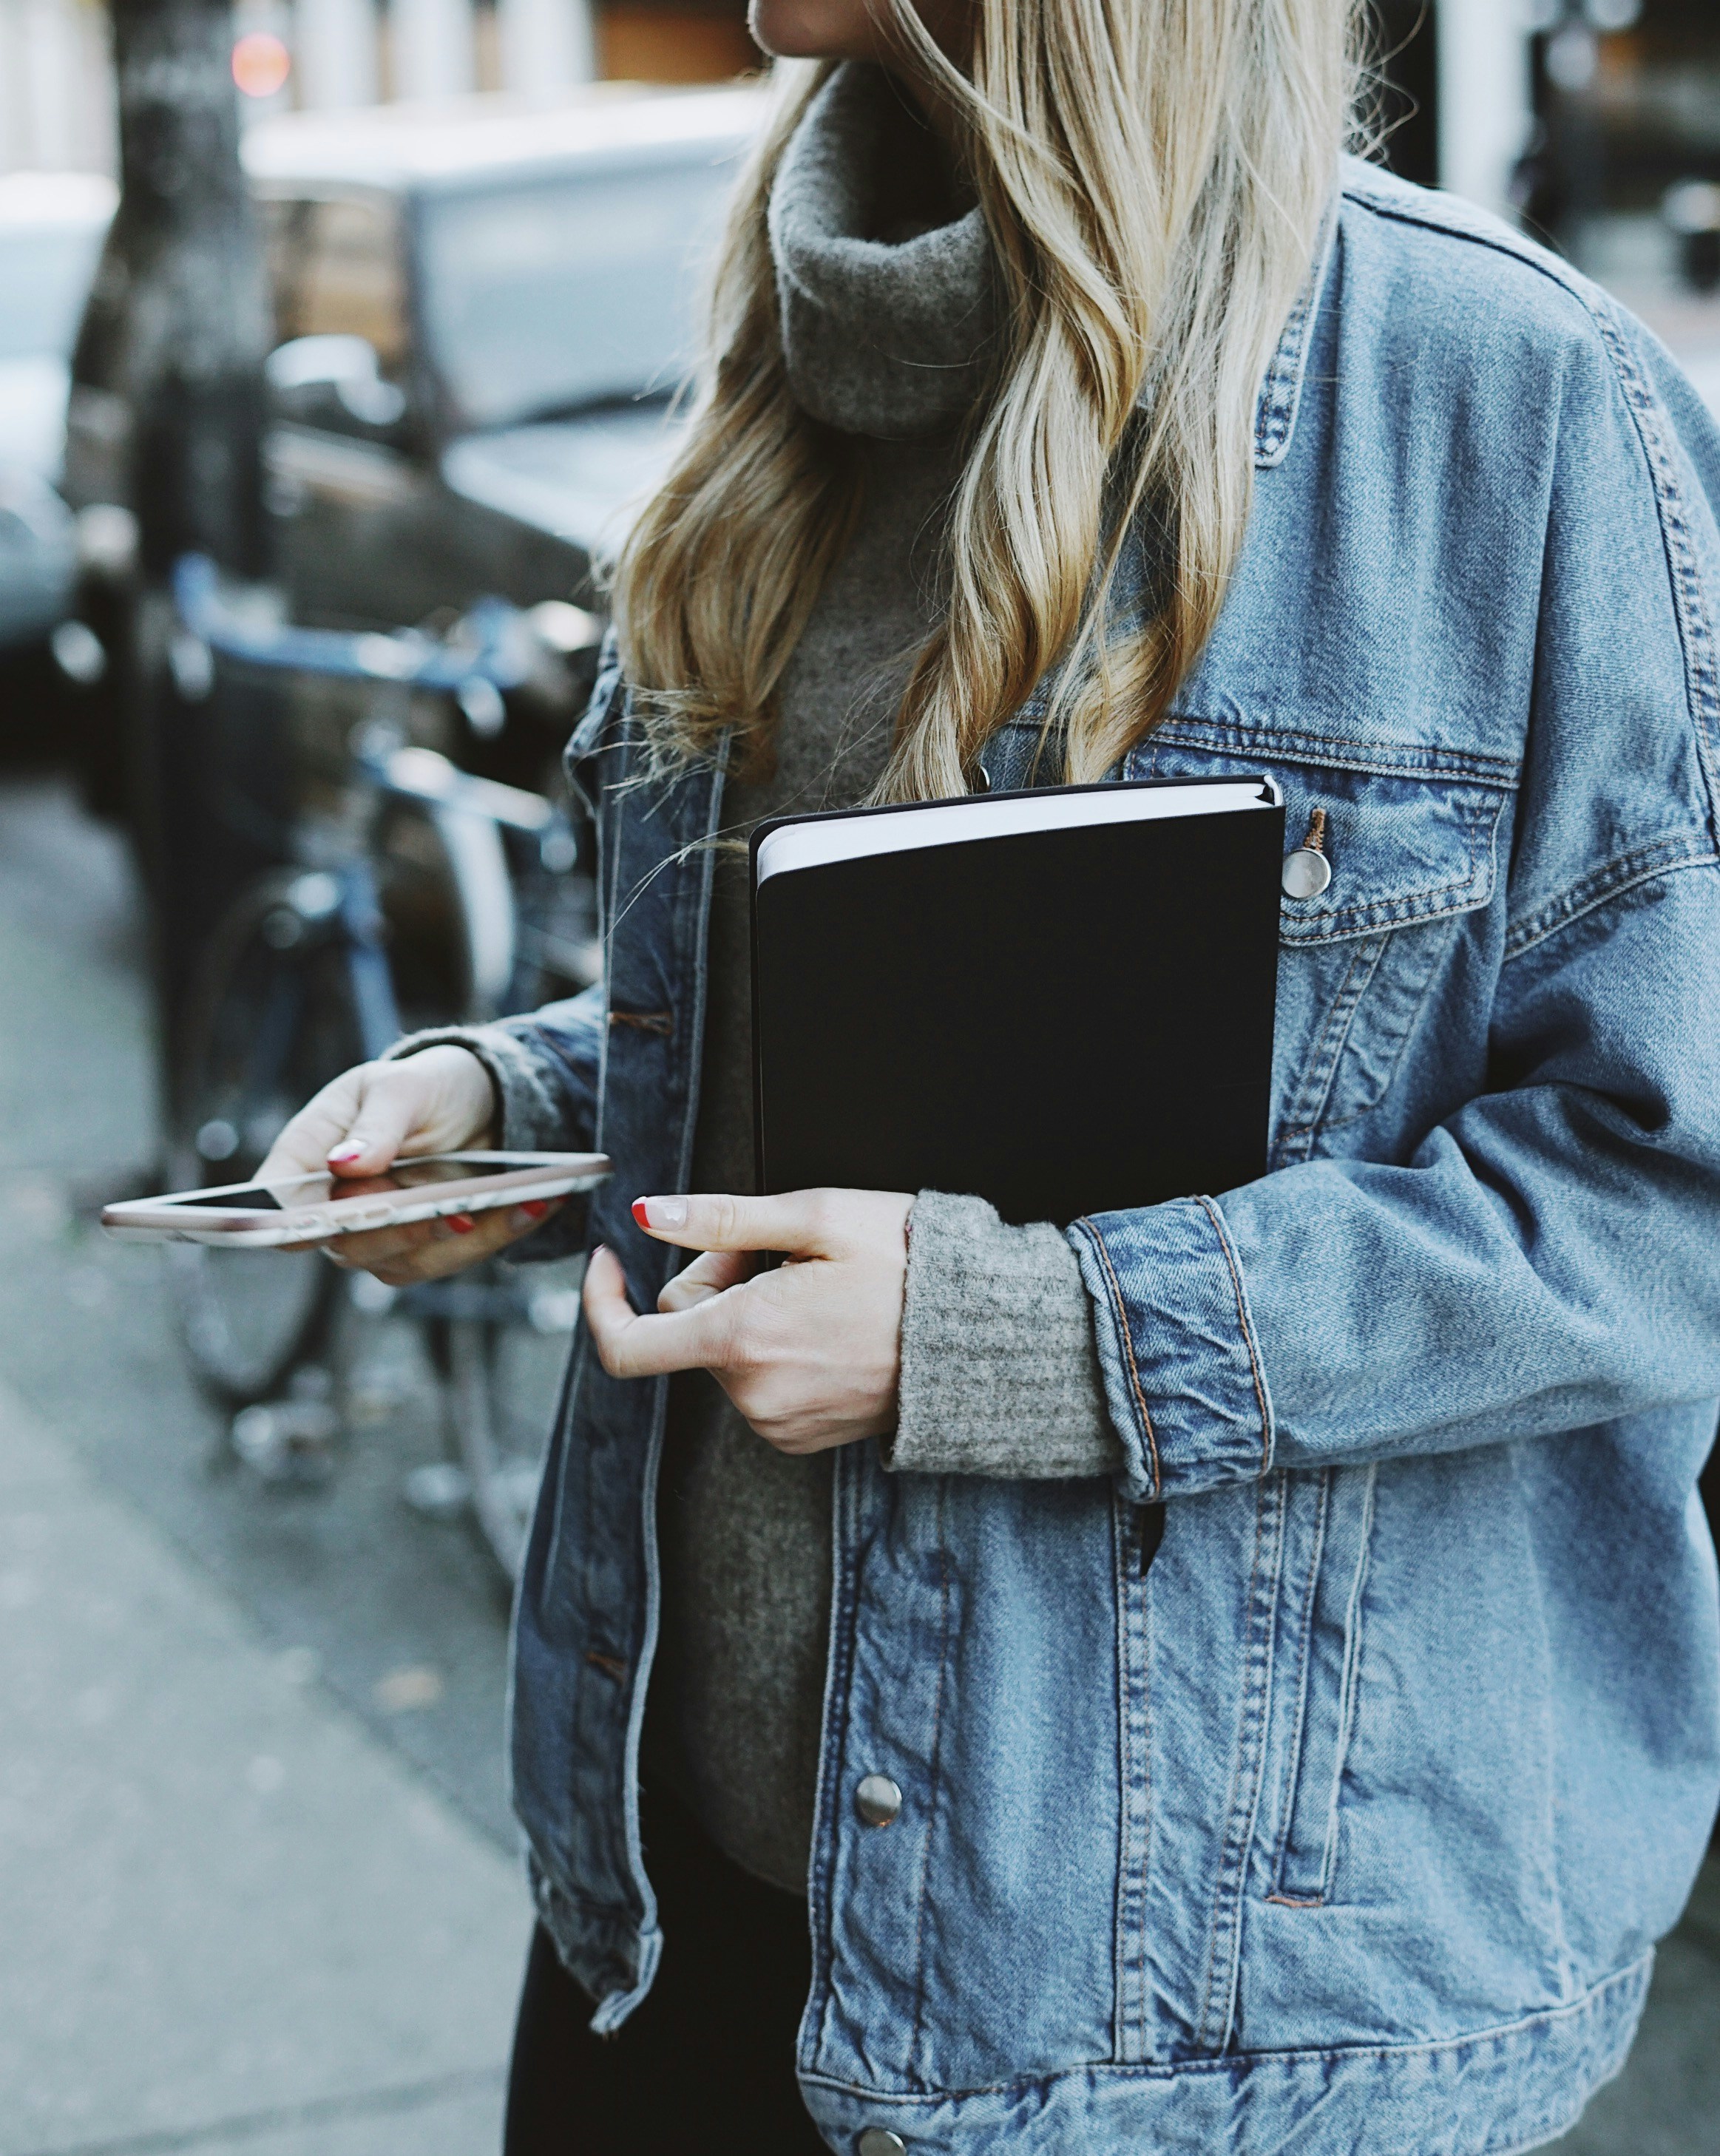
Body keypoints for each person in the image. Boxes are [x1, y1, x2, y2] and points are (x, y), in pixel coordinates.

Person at [260, 1, 1720, 2148]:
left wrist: (1026, 1338)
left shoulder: (1503, 404)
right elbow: (830, 1044)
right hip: (672, 1924)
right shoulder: (789, 375)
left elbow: (1658, 1197)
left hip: (1174, 2043)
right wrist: (512, 1100)